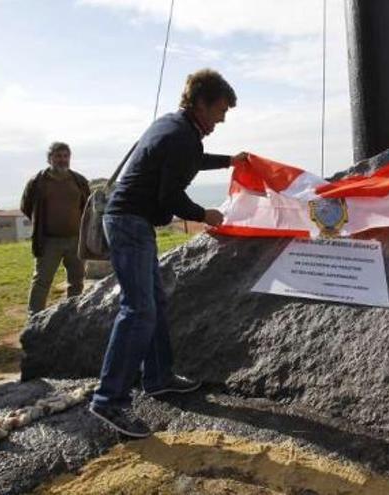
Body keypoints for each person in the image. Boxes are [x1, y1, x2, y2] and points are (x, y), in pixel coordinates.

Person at [89, 68, 248, 437]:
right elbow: (170, 197)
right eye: (220, 110)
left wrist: (229, 160)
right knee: (139, 310)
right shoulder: (181, 136)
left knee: (153, 303)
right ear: (201, 102)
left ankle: (158, 378)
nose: (221, 119)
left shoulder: (175, 127)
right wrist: (203, 214)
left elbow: (187, 160)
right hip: (130, 224)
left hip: (132, 222)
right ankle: (108, 400)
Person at [20, 142, 91, 315]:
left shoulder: (79, 181)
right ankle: (34, 318)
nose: (62, 160)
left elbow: (87, 206)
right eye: (58, 156)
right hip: (48, 241)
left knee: (76, 281)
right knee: (42, 281)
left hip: (76, 240)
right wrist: (42, 223)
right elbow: (26, 206)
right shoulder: (37, 182)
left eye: (66, 156)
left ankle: (72, 315)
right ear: (49, 158)